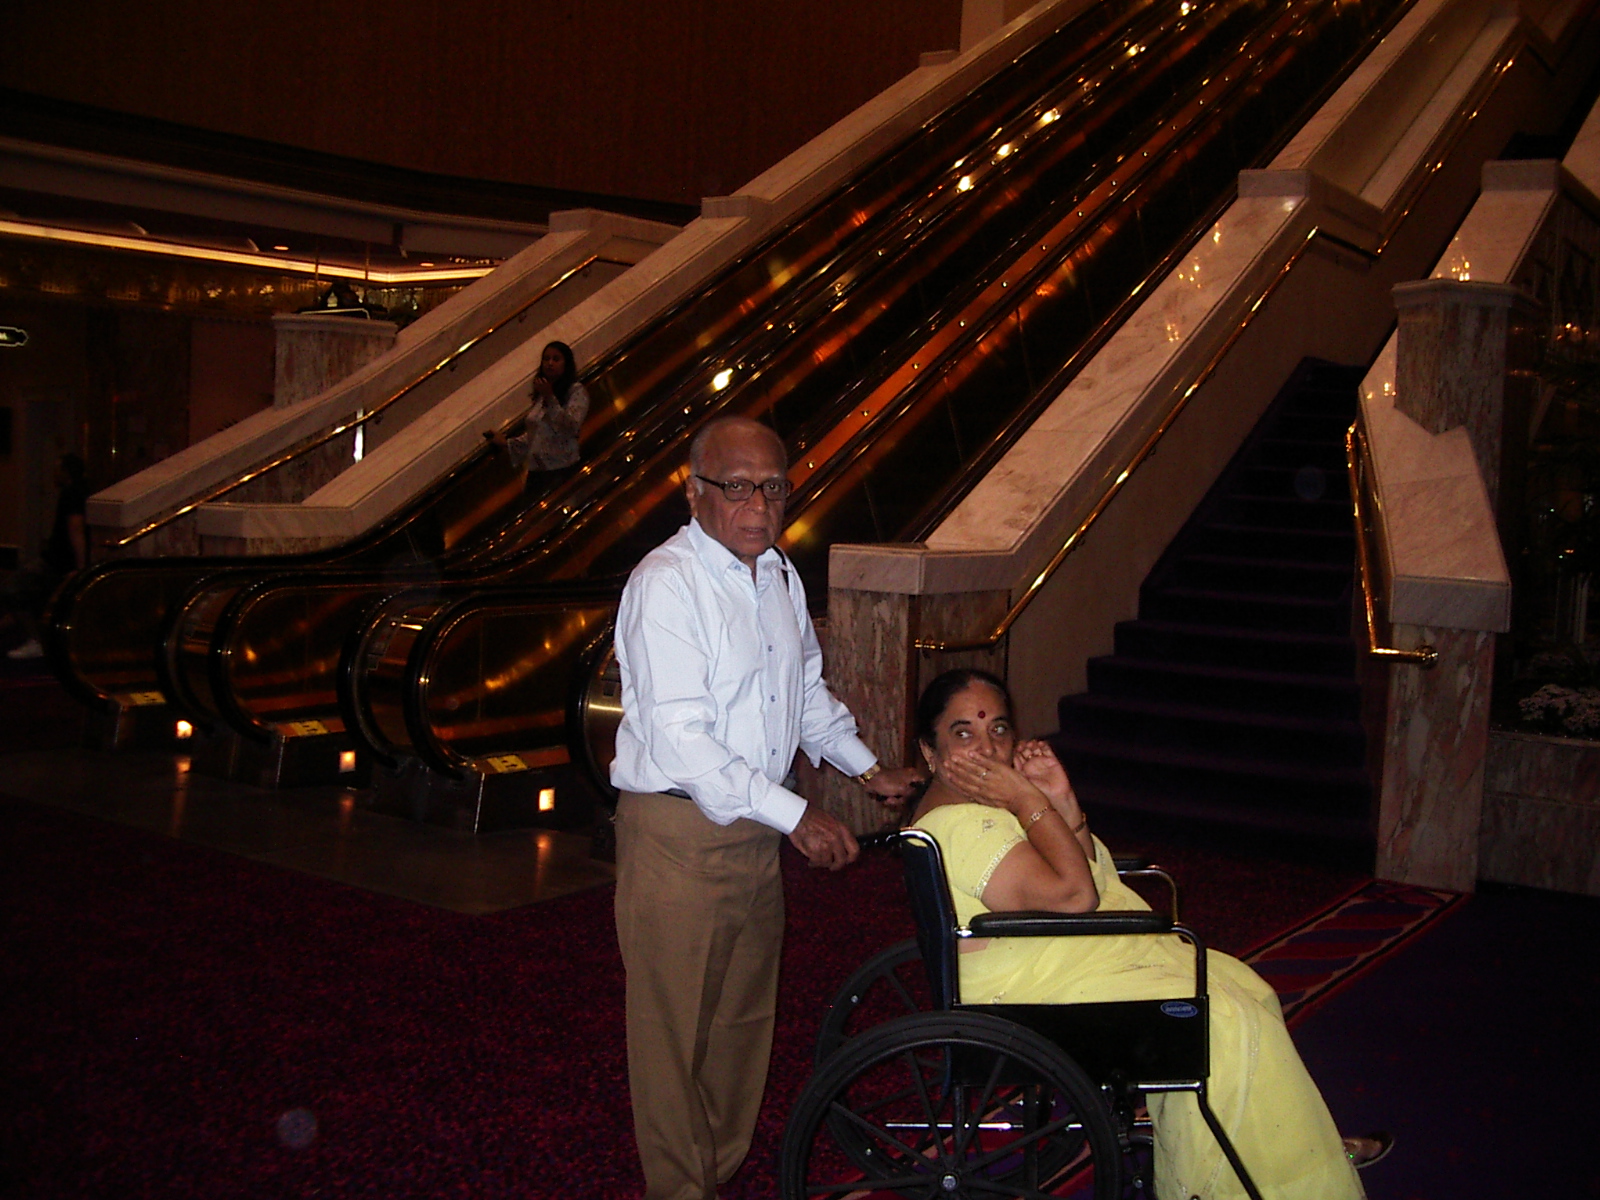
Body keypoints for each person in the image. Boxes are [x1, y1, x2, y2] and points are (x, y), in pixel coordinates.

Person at [908, 667, 1391, 1199]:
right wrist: (1027, 800)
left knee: (1244, 991)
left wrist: (1059, 799)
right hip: (1028, 990)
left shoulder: (978, 809)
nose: (987, 748)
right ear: (929, 751)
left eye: (999, 729)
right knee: (1220, 1019)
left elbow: (1087, 876)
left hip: (1049, 959)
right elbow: (1074, 897)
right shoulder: (964, 824)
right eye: (963, 733)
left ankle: (1289, 1153)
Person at [609, 415, 923, 1200]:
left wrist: (866, 769)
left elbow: (803, 693)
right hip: (679, 832)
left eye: (774, 487)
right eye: (737, 486)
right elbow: (682, 738)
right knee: (674, 1031)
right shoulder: (666, 584)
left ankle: (715, 1170)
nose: (758, 504)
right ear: (694, 492)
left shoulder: (776, 574)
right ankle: (680, 1190)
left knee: (742, 1022)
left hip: (753, 831)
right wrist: (797, 816)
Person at [5, 453, 89, 661]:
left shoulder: (72, 493)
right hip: (59, 559)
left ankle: (37, 640)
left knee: (15, 589)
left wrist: (81, 567)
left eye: (58, 469)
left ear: (66, 472)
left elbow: (75, 529)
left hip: (59, 561)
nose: (54, 473)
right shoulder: (81, 491)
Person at [486, 340, 589, 476]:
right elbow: (536, 434)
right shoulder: (541, 394)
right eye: (546, 359)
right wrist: (506, 442)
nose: (550, 363)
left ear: (566, 364)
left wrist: (550, 398)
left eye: (556, 359)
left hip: (562, 468)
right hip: (538, 470)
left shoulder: (575, 391)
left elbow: (570, 427)